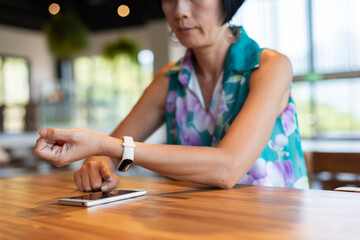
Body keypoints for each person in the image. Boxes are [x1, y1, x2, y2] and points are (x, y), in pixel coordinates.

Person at [33, 0, 309, 192]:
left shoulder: (269, 67)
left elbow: (229, 168)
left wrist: (107, 147)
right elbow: (105, 154)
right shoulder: (169, 79)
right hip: (194, 225)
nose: (179, 12)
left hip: (275, 225)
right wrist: (97, 165)